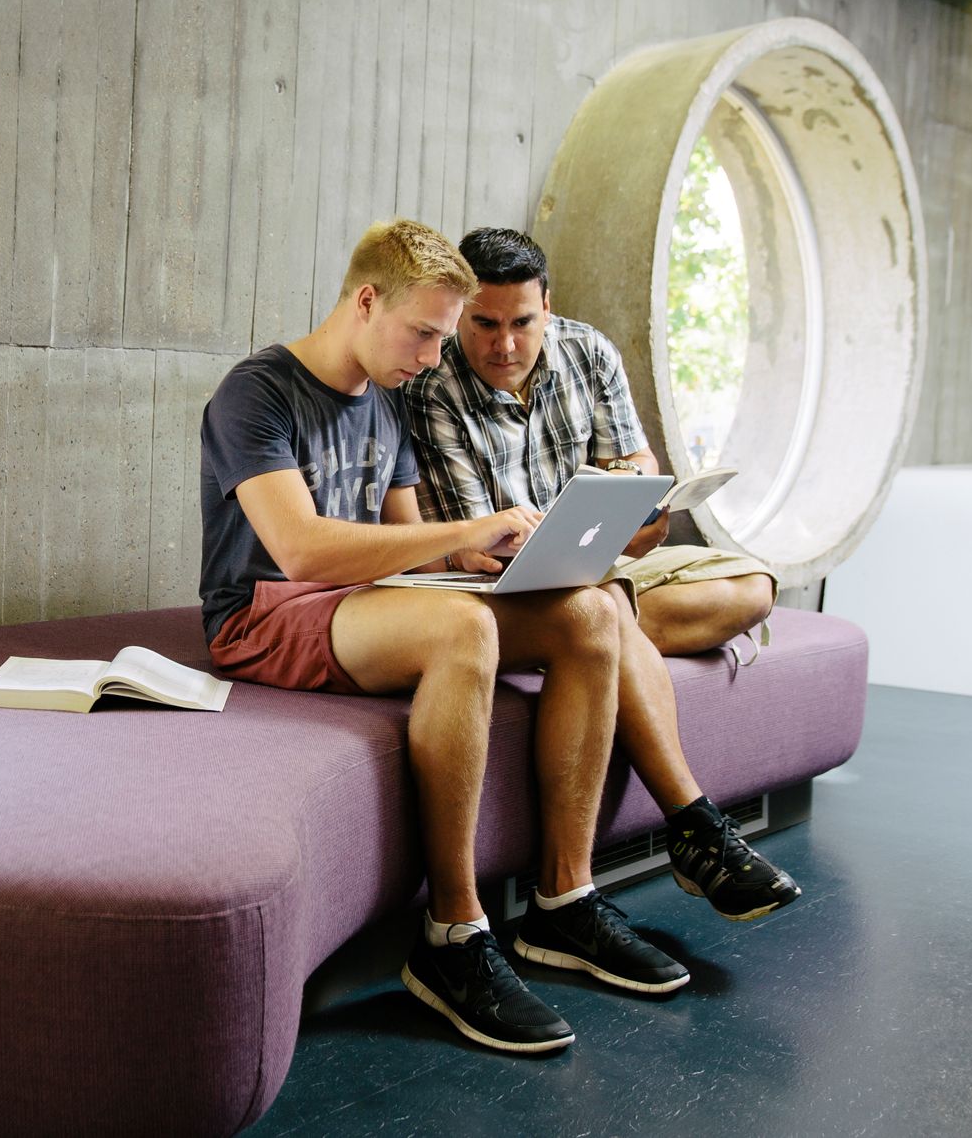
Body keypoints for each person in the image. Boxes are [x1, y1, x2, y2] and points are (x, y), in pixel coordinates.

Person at [197, 219, 798, 1058]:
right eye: (427, 334)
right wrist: (461, 535)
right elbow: (299, 548)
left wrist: (480, 551)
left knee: (589, 612)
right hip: (266, 613)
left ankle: (565, 902)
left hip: (365, 602)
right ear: (366, 301)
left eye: (445, 338)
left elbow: (410, 539)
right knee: (464, 628)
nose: (434, 357)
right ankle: (451, 932)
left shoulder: (384, 400)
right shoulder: (256, 392)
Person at [402, 227, 777, 657]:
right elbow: (487, 547)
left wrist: (628, 491)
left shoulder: (589, 351)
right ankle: (582, 632)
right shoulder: (432, 388)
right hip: (513, 583)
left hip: (597, 557)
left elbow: (638, 457)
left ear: (545, 306)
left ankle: (576, 640)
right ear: (459, 315)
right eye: (485, 324)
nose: (504, 345)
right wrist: (601, 542)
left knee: (754, 587)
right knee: (599, 603)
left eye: (522, 322)